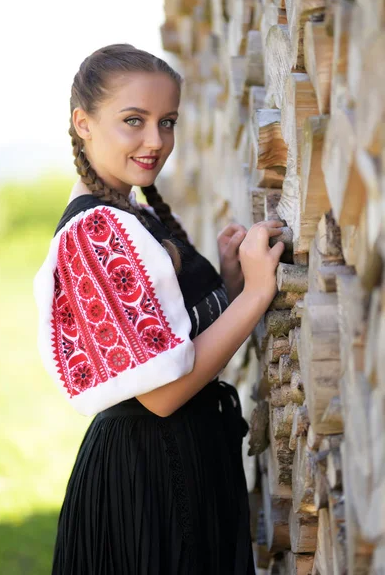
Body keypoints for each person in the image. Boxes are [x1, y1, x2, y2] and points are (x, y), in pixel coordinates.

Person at [33, 43, 284, 575]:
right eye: (133, 121)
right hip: (148, 480)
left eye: (166, 122)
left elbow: (169, 342)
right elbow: (164, 393)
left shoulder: (129, 212)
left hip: (173, 462)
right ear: (83, 123)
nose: (155, 141)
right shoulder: (97, 230)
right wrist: (257, 295)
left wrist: (230, 282)